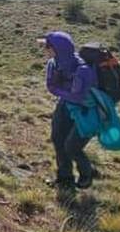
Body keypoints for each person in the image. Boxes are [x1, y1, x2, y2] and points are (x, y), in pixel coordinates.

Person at [42, 31, 98, 189]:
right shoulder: (54, 63)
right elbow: (51, 86)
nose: (45, 50)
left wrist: (61, 90)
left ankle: (87, 174)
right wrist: (65, 92)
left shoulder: (83, 70)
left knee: (72, 146)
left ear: (58, 49)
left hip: (86, 110)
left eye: (47, 47)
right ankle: (65, 178)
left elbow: (78, 97)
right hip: (65, 106)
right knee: (58, 139)